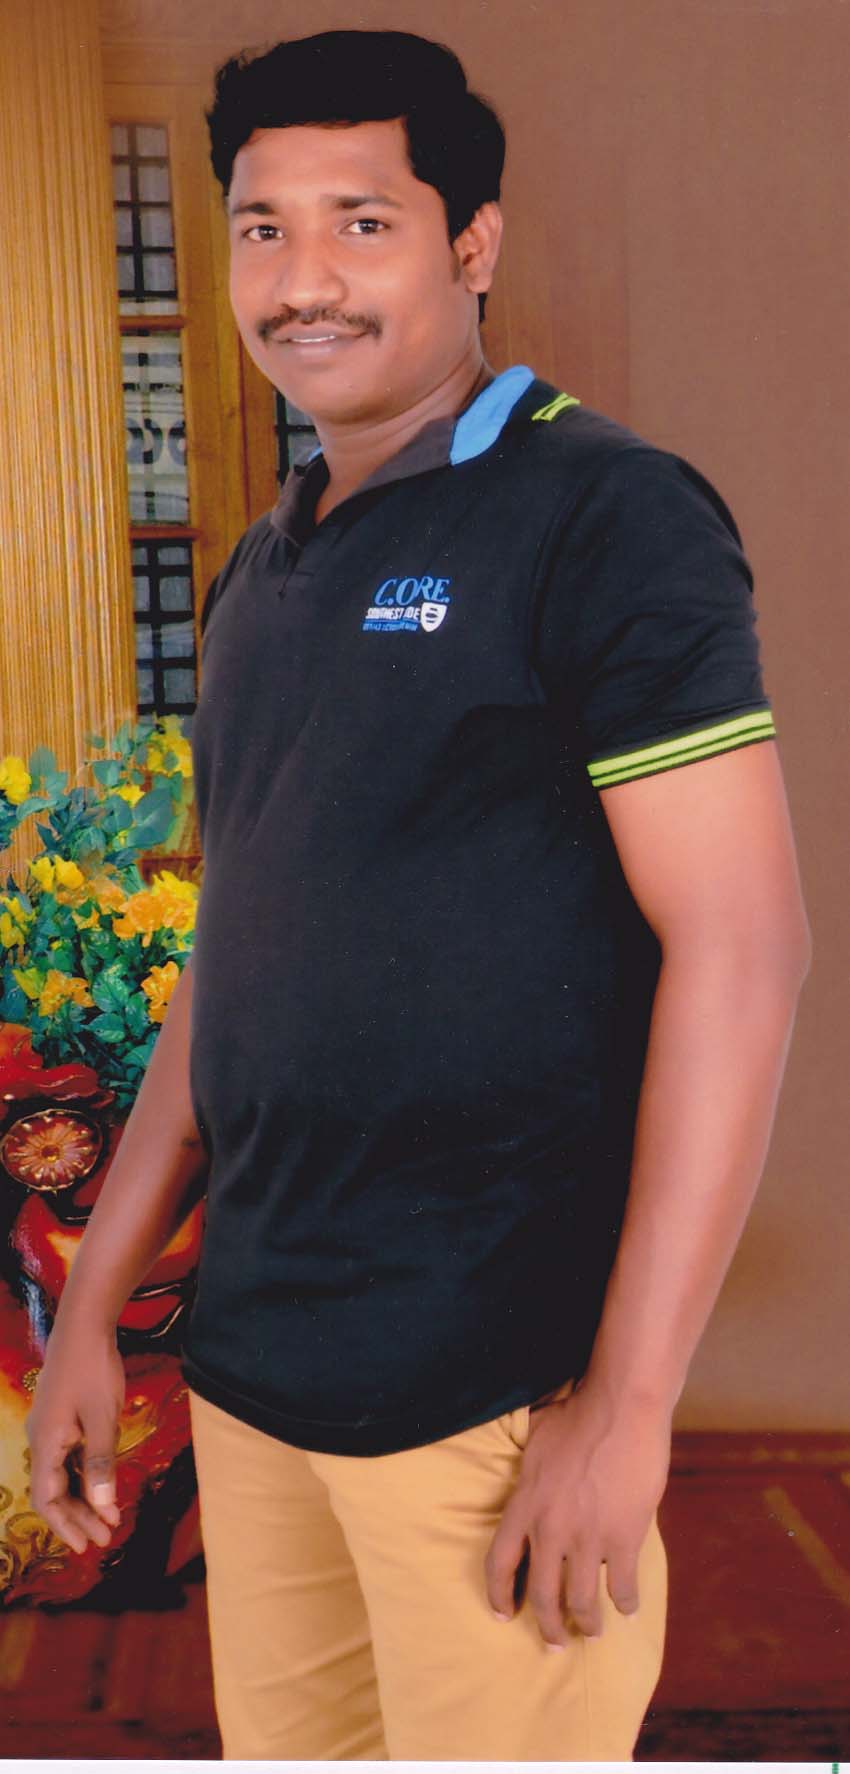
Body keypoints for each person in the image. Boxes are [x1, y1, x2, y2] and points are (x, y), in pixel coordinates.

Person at [26, 28, 811, 1763]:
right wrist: (90, 1308)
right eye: (262, 227)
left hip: (492, 1396)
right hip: (260, 1379)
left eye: (361, 222)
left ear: (472, 241)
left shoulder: (607, 516)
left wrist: (625, 1405)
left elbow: (744, 948)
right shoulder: (265, 569)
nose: (301, 280)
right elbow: (230, 960)